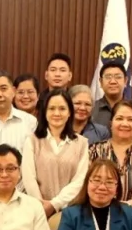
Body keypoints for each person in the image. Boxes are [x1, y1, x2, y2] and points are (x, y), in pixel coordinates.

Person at [22, 88, 89, 218]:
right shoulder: (32, 141)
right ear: (45, 112)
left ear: (69, 112)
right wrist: (41, 205)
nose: (57, 113)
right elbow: (29, 178)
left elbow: (80, 180)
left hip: (71, 212)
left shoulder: (82, 143)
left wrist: (54, 204)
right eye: (52, 108)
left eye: (62, 109)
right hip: (36, 210)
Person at [91, 64, 128, 129]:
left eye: (118, 77)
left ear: (125, 81)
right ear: (101, 82)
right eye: (108, 77)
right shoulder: (92, 109)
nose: (113, 81)